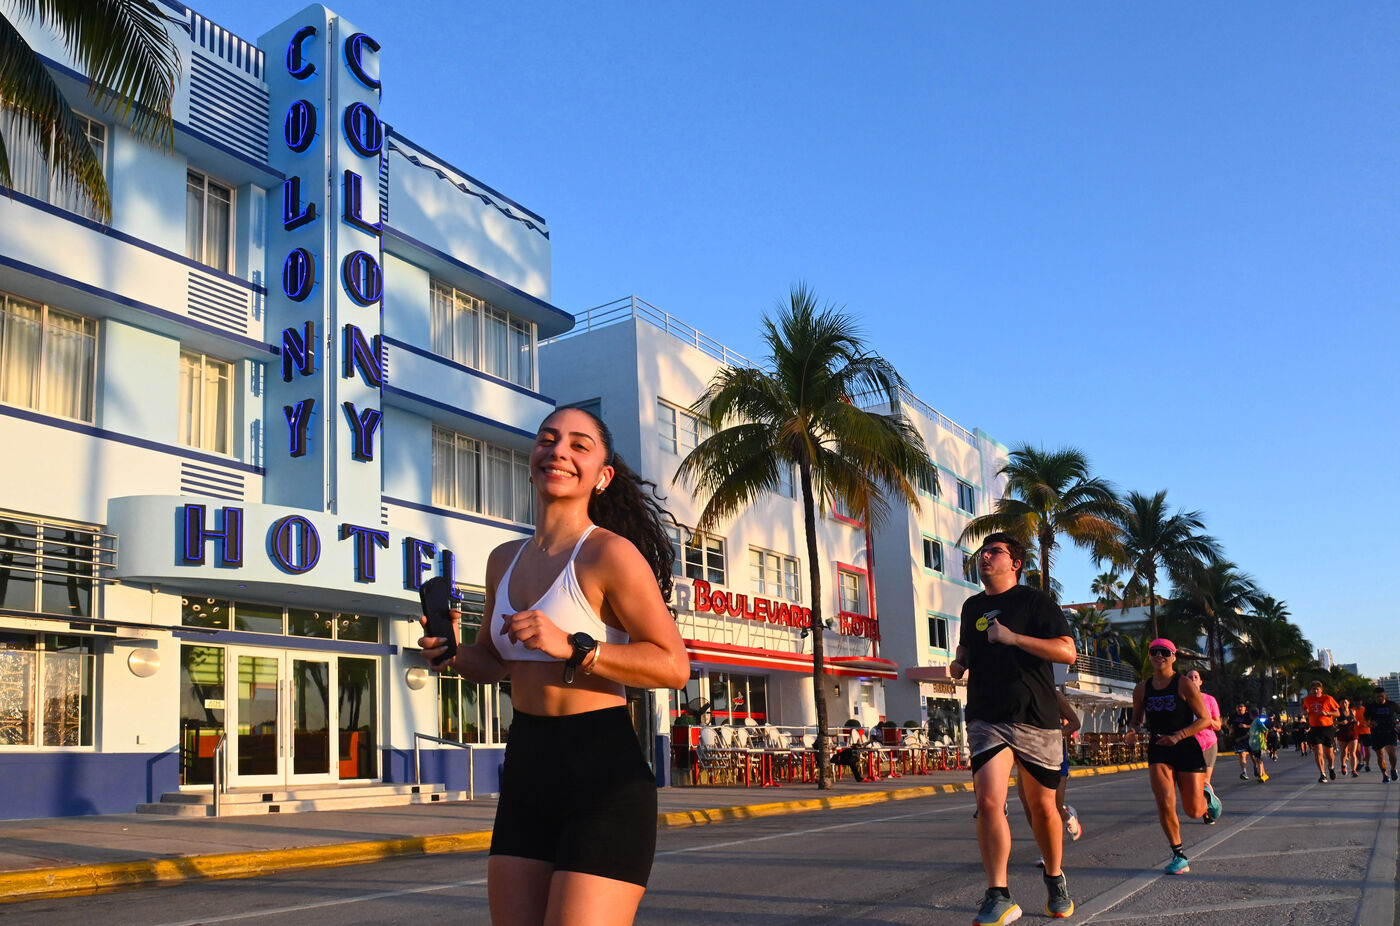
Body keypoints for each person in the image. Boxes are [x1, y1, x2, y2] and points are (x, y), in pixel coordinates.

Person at [419, 405, 690, 926]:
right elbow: (493, 662)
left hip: (603, 775)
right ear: (532, 460)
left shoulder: (610, 554)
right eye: (547, 439)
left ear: (602, 476)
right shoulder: (503, 559)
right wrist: (453, 653)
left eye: (578, 445)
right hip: (526, 769)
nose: (558, 450)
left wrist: (575, 647)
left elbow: (673, 665)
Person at [950, 532, 1078, 922]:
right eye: (983, 551)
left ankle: (1055, 878)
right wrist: (960, 661)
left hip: (1035, 717)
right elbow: (967, 645)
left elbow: (1067, 651)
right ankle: (998, 894)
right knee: (988, 803)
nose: (985, 556)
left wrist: (1013, 638)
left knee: (1043, 808)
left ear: (1015, 563)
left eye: (995, 551)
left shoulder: (1035, 601)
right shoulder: (972, 606)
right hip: (986, 716)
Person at [1132, 638, 1214, 875]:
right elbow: (1136, 720)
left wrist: (1179, 736)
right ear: (1150, 656)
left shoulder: (1184, 684)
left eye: (1165, 652)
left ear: (1174, 657)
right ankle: (1179, 855)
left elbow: (1205, 719)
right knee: (1165, 801)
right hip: (1159, 748)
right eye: (1154, 652)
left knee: (1194, 811)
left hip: (1186, 747)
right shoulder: (1142, 689)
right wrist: (1132, 731)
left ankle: (1207, 797)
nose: (1160, 655)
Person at [1020, 688, 1083, 867]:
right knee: (1030, 808)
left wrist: (1052, 736)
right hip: (1027, 756)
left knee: (1053, 806)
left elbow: (1075, 723)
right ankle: (1046, 851)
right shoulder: (1017, 694)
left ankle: (1068, 815)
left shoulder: (1054, 695)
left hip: (1054, 755)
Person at [1183, 669, 1223, 823]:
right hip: (1189, 746)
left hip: (1208, 744)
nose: (1193, 679)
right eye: (1190, 677)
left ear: (1200, 682)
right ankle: (1206, 805)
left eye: (1196, 677)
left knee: (1205, 781)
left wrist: (1205, 719)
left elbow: (1218, 725)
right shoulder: (1182, 701)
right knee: (1193, 785)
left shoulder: (1210, 700)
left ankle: (1208, 812)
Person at [1302, 680, 1340, 783]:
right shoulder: (1307, 699)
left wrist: (1327, 713)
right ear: (1310, 690)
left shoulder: (1328, 698)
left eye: (1317, 689)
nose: (1315, 691)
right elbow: (1304, 710)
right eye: (1313, 689)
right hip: (1315, 729)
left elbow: (1337, 713)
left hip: (1327, 728)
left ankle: (1331, 767)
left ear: (1321, 690)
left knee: (1329, 753)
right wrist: (1305, 712)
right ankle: (1322, 774)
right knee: (1318, 752)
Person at [1365, 686, 1398, 782]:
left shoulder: (1392, 704)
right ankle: (1384, 774)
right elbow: (1365, 720)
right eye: (1377, 697)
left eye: (1381, 696)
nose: (1380, 698)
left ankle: (1393, 769)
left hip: (1390, 731)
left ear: (1385, 695)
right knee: (1380, 755)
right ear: (1374, 697)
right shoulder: (1370, 707)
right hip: (1377, 733)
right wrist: (1369, 723)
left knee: (1391, 752)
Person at [1226, 703, 1254, 781]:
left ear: (1245, 708)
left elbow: (1255, 725)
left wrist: (1246, 726)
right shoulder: (1233, 716)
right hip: (1238, 738)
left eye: (1241, 707)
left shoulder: (1249, 715)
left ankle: (1255, 767)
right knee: (1242, 755)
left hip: (1249, 738)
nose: (1240, 709)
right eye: (1238, 707)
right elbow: (1227, 723)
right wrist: (1230, 729)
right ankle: (1244, 772)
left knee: (1253, 756)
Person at [1336, 698, 1359, 777]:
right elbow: (1332, 721)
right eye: (1342, 703)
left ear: (1348, 703)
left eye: (1345, 702)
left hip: (1352, 734)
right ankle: (1343, 765)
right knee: (1344, 752)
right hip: (1342, 734)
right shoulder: (1338, 712)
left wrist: (1356, 722)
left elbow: (1355, 719)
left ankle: (1354, 770)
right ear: (1339, 704)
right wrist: (1340, 722)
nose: (1344, 704)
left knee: (1353, 752)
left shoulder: (1352, 711)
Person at [1247, 712, 1270, 782]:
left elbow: (1265, 730)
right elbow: (1249, 733)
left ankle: (1260, 775)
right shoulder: (1253, 723)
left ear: (1251, 715)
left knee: (1259, 760)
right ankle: (1263, 775)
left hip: (1260, 744)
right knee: (1257, 760)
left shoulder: (1258, 721)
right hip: (1255, 745)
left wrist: (1265, 738)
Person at [1354, 701, 1371, 772]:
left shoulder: (1366, 710)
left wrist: (1366, 724)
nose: (1358, 704)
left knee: (1367, 749)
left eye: (1359, 703)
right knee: (1356, 749)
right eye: (1356, 703)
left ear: (1361, 702)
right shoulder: (1352, 710)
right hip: (1356, 732)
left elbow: (1370, 719)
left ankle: (1367, 764)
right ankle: (1360, 762)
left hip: (1366, 731)